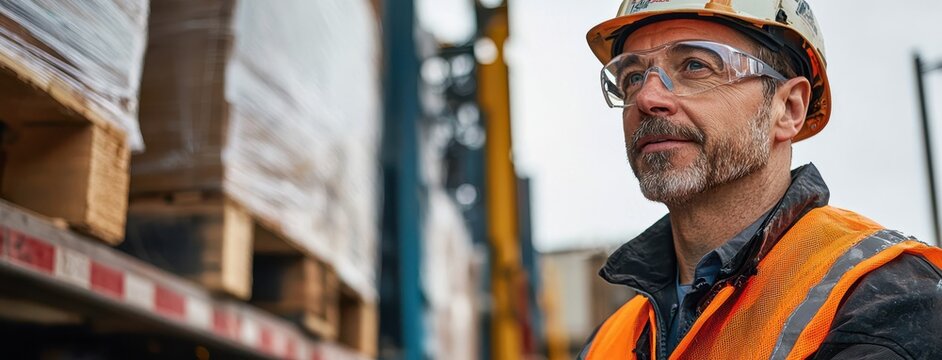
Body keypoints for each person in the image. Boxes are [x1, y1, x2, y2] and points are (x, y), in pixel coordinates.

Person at [578, 1, 942, 359]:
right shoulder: (609, 341)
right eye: (633, 77)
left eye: (695, 65)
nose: (647, 97)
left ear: (788, 109)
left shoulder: (883, 299)